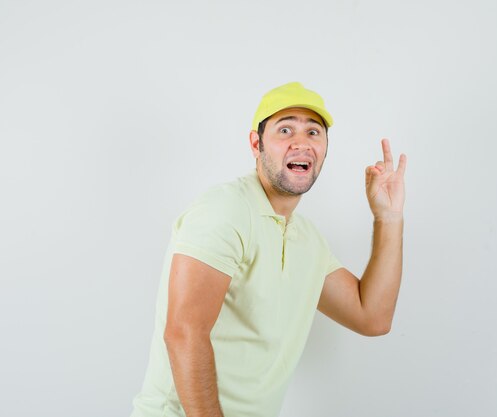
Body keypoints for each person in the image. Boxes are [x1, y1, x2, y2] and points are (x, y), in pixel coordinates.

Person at [131, 82, 407, 417]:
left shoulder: (307, 239)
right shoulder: (225, 210)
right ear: (256, 143)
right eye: (285, 129)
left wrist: (388, 217)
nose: (300, 143)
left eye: (313, 132)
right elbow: (183, 333)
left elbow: (372, 316)